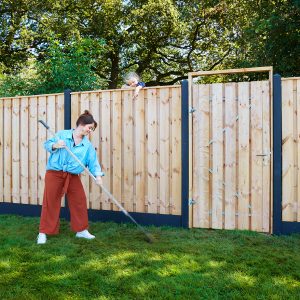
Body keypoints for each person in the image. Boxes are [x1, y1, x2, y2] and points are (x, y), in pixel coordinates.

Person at [37, 110, 104, 245]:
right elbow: (47, 145)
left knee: (79, 200)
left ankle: (81, 230)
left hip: (72, 176)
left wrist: (98, 176)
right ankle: (43, 232)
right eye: (89, 128)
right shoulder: (62, 135)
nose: (90, 131)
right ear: (81, 124)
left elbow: (93, 162)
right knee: (51, 202)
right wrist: (56, 145)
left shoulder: (87, 146)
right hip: (55, 173)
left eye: (92, 129)